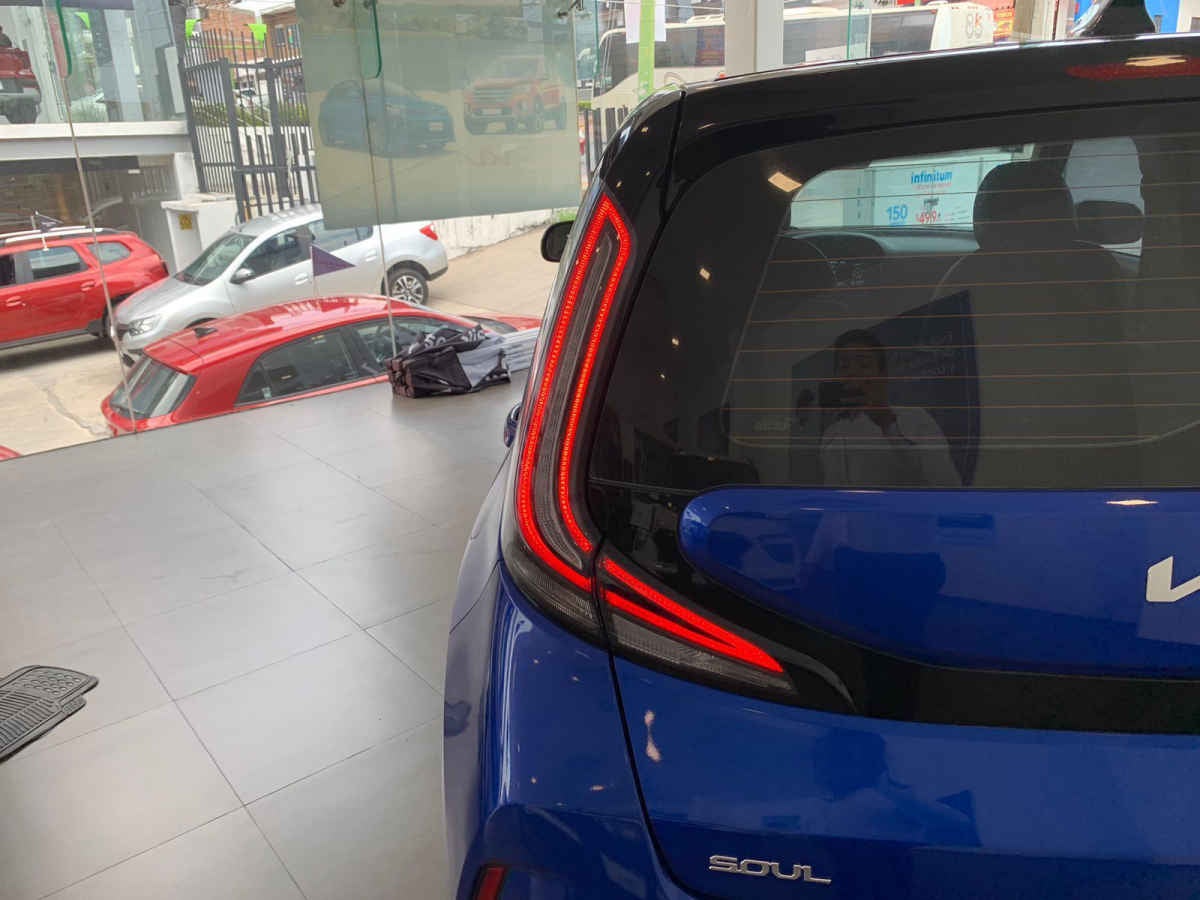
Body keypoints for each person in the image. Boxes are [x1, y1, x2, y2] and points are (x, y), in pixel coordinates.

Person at [819, 329, 961, 487]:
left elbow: (947, 485)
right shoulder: (831, 434)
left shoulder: (916, 419)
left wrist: (888, 424)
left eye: (864, 365)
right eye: (844, 366)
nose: (852, 373)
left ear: (883, 375)